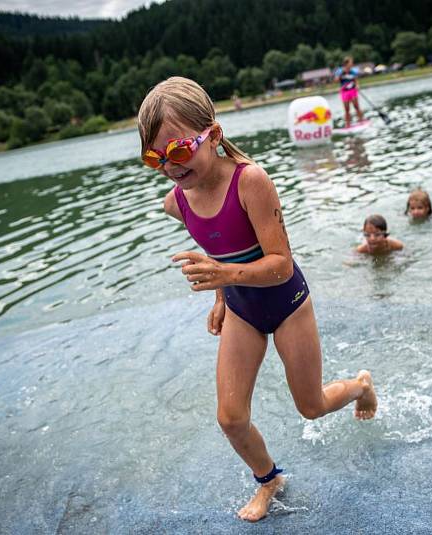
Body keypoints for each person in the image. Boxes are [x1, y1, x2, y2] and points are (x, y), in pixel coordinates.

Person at [137, 77, 378, 523]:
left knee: (311, 407)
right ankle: (270, 480)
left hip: (287, 303)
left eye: (179, 150)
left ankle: (361, 385)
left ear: (213, 135)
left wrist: (223, 277)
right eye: (155, 156)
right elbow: (220, 247)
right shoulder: (178, 200)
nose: (169, 165)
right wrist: (221, 297)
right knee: (230, 418)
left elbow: (281, 264)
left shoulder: (251, 182)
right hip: (242, 310)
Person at [334, 56, 365, 128]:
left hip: (352, 90)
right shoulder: (339, 71)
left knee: (356, 106)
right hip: (344, 91)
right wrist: (340, 75)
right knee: (347, 109)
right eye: (351, 63)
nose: (352, 64)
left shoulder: (353, 71)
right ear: (346, 64)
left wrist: (357, 85)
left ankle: (361, 120)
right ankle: (348, 124)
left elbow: (356, 80)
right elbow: (336, 81)